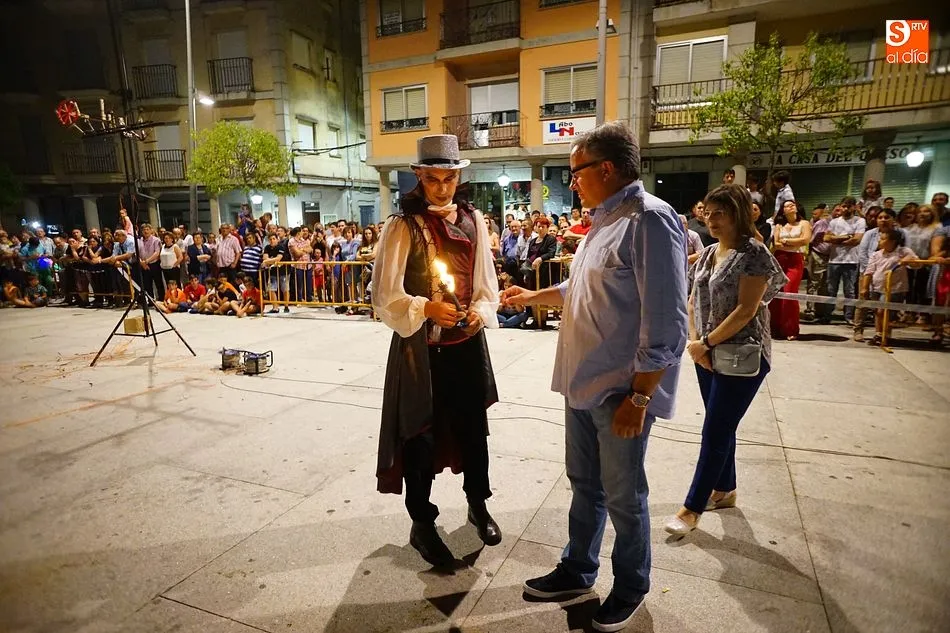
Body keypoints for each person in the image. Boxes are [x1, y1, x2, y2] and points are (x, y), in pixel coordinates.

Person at [502, 121, 688, 632]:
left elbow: (668, 320)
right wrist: (532, 297)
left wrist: (640, 398)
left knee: (625, 497)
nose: (571, 181)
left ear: (606, 168)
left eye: (576, 171)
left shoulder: (650, 220)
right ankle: (578, 568)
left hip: (620, 391)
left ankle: (630, 586)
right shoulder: (603, 222)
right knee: (585, 484)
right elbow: (579, 289)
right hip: (581, 383)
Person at [371, 134, 501, 569]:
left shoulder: (474, 219)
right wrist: (426, 307)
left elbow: (485, 284)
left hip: (466, 345)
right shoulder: (402, 225)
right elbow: (384, 294)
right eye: (433, 179)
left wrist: (480, 311)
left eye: (449, 179)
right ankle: (422, 523)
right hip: (420, 351)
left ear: (458, 177)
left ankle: (478, 505)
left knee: (473, 431)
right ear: (419, 177)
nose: (442, 188)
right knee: (420, 437)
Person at [665, 183, 787, 537]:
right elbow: (692, 301)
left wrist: (706, 342)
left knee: (715, 429)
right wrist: (696, 344)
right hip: (706, 353)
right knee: (722, 424)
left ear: (738, 214)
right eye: (708, 213)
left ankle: (692, 507)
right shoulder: (707, 254)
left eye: (720, 213)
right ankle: (725, 489)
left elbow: (747, 310)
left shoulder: (753, 253)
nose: (712, 220)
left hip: (742, 354)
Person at [861, 230, 919, 346]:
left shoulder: (903, 251)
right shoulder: (876, 254)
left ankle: (885, 334)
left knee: (884, 311)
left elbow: (918, 264)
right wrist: (865, 287)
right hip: (876, 287)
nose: (879, 241)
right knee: (878, 312)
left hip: (894, 288)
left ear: (893, 241)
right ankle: (879, 334)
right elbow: (869, 272)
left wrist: (909, 260)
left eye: (883, 239)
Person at [770, 201, 812, 340]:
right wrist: (794, 242)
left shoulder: (804, 223)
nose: (790, 206)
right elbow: (776, 244)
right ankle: (774, 328)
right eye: (787, 206)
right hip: (779, 258)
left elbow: (805, 240)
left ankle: (790, 329)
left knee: (790, 293)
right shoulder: (779, 225)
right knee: (776, 294)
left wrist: (786, 241)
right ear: (783, 210)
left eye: (792, 204)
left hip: (795, 259)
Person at [825, 197, 866, 327]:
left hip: (851, 261)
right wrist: (846, 237)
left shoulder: (860, 221)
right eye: (843, 206)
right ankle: (828, 315)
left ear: (854, 207)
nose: (846, 208)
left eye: (849, 206)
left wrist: (836, 239)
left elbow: (856, 240)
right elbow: (826, 238)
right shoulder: (834, 222)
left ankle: (848, 316)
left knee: (850, 291)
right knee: (831, 289)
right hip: (834, 260)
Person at [520, 215, 557, 329]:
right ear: (535, 227)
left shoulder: (550, 239)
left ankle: (543, 321)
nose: (540, 229)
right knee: (533, 295)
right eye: (538, 226)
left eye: (543, 227)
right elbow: (528, 256)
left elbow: (551, 253)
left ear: (547, 228)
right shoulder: (532, 241)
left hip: (544, 272)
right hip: (532, 272)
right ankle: (536, 320)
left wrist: (540, 258)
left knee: (542, 295)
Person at [804, 205, 834, 324]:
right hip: (817, 254)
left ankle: (820, 310)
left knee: (825, 285)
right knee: (814, 283)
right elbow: (810, 240)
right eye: (813, 214)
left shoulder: (831, 222)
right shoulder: (819, 223)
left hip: (830, 257)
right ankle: (810, 310)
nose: (813, 216)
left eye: (815, 214)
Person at [262, 232, 290, 313]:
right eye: (270, 239)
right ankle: (275, 307)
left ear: (277, 239)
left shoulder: (281, 247)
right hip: (272, 271)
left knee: (285, 289)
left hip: (283, 271)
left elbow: (278, 258)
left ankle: (286, 306)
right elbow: (265, 258)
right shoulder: (267, 247)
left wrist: (268, 261)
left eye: (274, 239)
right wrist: (270, 261)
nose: (272, 241)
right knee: (271, 289)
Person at [137, 224, 164, 298]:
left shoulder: (156, 240)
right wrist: (142, 263)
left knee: (158, 283)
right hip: (143, 265)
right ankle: (150, 300)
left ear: (151, 230)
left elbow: (157, 253)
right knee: (147, 285)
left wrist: (146, 261)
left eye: (147, 229)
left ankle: (161, 299)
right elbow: (136, 253)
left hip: (154, 264)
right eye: (144, 230)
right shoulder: (139, 241)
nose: (146, 231)